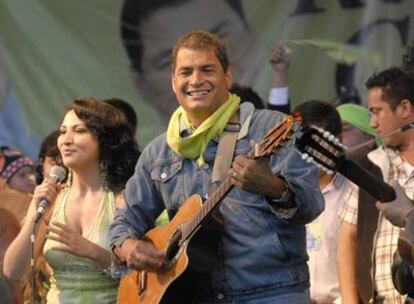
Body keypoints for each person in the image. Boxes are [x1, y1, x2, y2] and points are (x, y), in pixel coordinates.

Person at [109, 30, 324, 303]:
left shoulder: (269, 127)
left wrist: (273, 187)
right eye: (185, 72)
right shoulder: (159, 151)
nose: (196, 80)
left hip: (271, 292)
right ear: (173, 82)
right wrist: (128, 246)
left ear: (228, 77)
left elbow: (313, 203)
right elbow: (125, 220)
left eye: (207, 69)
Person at [3, 97, 140, 303]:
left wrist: (92, 251)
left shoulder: (123, 199)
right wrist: (35, 212)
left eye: (79, 130)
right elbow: (12, 271)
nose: (66, 140)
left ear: (104, 140)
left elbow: (141, 274)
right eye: (63, 131)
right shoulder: (50, 200)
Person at [337, 66, 414, 303]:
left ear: (404, 108)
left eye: (377, 112)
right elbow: (347, 240)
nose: (372, 123)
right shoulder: (368, 165)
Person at [120, 0, 261, 121]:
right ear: (141, 84)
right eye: (169, 60)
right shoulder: (154, 152)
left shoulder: (278, 131)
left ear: (251, 34)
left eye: (219, 38)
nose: (199, 74)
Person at [293, 100, 354, 303]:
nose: (306, 154)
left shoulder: (355, 193)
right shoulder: (281, 194)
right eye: (299, 144)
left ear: (338, 141)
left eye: (315, 144)